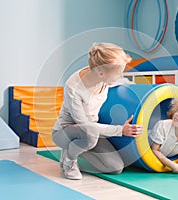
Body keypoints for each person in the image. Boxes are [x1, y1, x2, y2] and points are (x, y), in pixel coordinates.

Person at [52, 42, 143, 180]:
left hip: (92, 133)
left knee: (115, 168)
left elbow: (122, 81)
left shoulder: (104, 77)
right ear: (101, 73)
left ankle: (73, 150)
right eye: (119, 73)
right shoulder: (73, 87)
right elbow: (85, 125)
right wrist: (120, 130)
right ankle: (69, 160)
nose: (120, 76)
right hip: (66, 132)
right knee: (90, 132)